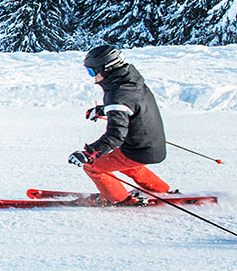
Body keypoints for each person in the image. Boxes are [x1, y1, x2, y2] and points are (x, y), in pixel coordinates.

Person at [67, 44, 174, 207]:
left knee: (93, 167)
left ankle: (119, 199)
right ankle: (161, 191)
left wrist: (88, 153)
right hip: (152, 145)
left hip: (139, 150)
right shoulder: (131, 82)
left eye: (92, 71)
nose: (92, 76)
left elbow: (115, 136)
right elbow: (132, 106)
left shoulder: (118, 94)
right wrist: (105, 110)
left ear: (107, 68)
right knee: (130, 166)